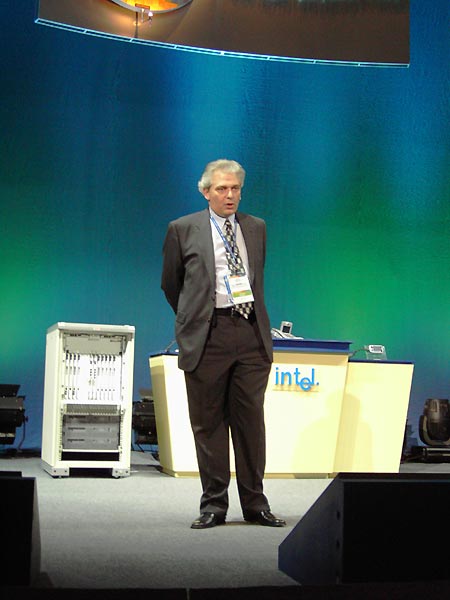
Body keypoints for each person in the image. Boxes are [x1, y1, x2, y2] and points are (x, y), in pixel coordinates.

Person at [161, 159, 286, 529]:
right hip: (208, 334)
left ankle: (255, 505)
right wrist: (195, 318)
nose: (229, 195)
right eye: (221, 189)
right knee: (209, 424)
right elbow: (171, 284)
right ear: (206, 192)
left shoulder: (256, 227)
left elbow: (256, 278)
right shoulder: (182, 229)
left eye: (235, 189)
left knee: (251, 424)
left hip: (249, 334)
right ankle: (214, 505)